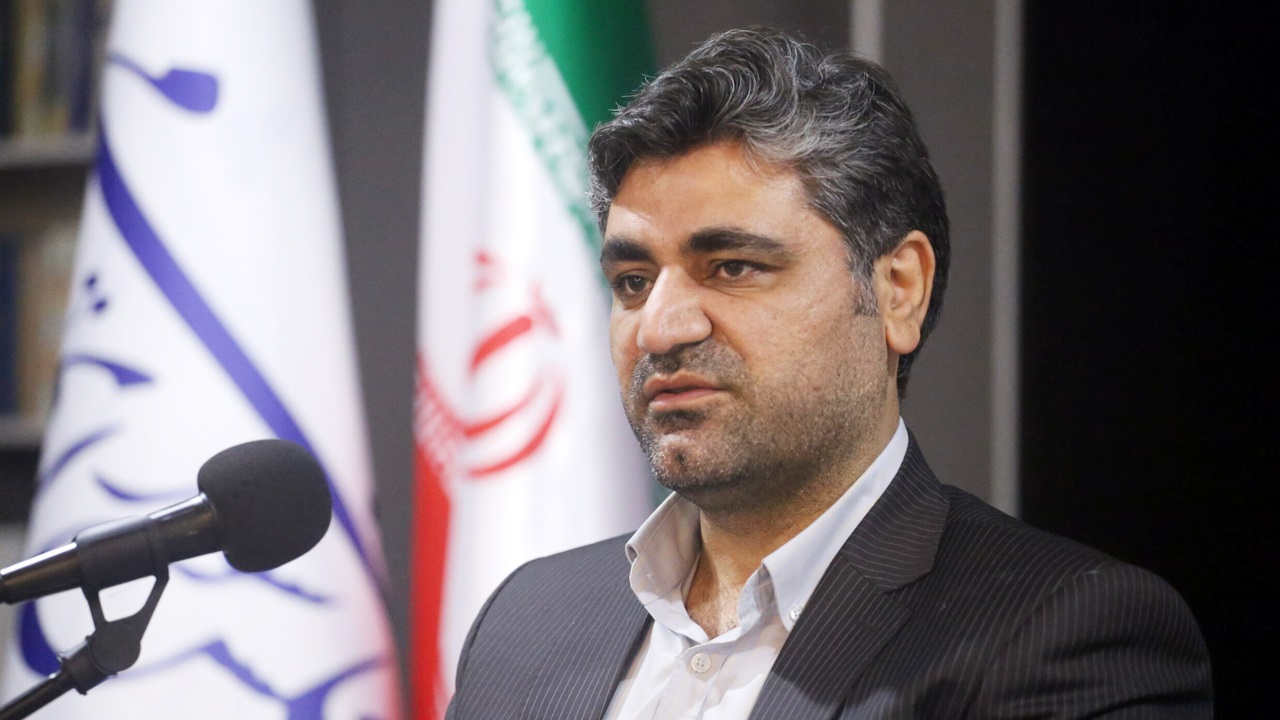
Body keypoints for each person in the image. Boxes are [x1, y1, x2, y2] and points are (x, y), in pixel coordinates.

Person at [444, 27, 1212, 719]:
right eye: (633, 282)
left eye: (733, 266)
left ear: (898, 290)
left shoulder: (1060, 633)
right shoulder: (526, 621)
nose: (660, 328)